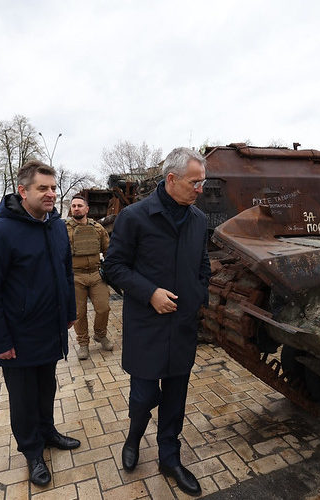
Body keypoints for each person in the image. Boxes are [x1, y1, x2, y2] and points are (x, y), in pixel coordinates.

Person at [104, 147, 210, 497]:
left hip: (182, 326)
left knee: (176, 398)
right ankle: (134, 434)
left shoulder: (198, 219)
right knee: (144, 395)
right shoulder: (135, 217)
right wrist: (150, 293)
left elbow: (202, 266)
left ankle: (169, 457)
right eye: (195, 182)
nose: (200, 188)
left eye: (202, 182)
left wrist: (197, 297)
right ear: (172, 179)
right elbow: (114, 267)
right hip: (147, 325)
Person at [0, 160, 81, 487]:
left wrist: (69, 311)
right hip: (18, 335)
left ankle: (47, 432)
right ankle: (32, 451)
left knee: (46, 387)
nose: (51, 194)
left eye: (53, 188)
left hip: (50, 328)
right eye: (43, 188)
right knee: (23, 399)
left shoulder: (55, 226)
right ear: (23, 191)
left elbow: (65, 272)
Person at [66, 194, 112, 360]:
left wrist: (112, 269)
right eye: (73, 206)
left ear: (87, 209)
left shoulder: (97, 228)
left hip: (95, 273)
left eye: (79, 205)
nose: (76, 208)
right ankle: (83, 344)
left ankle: (100, 334)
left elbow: (108, 250)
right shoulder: (63, 229)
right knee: (79, 313)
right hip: (74, 276)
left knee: (104, 307)